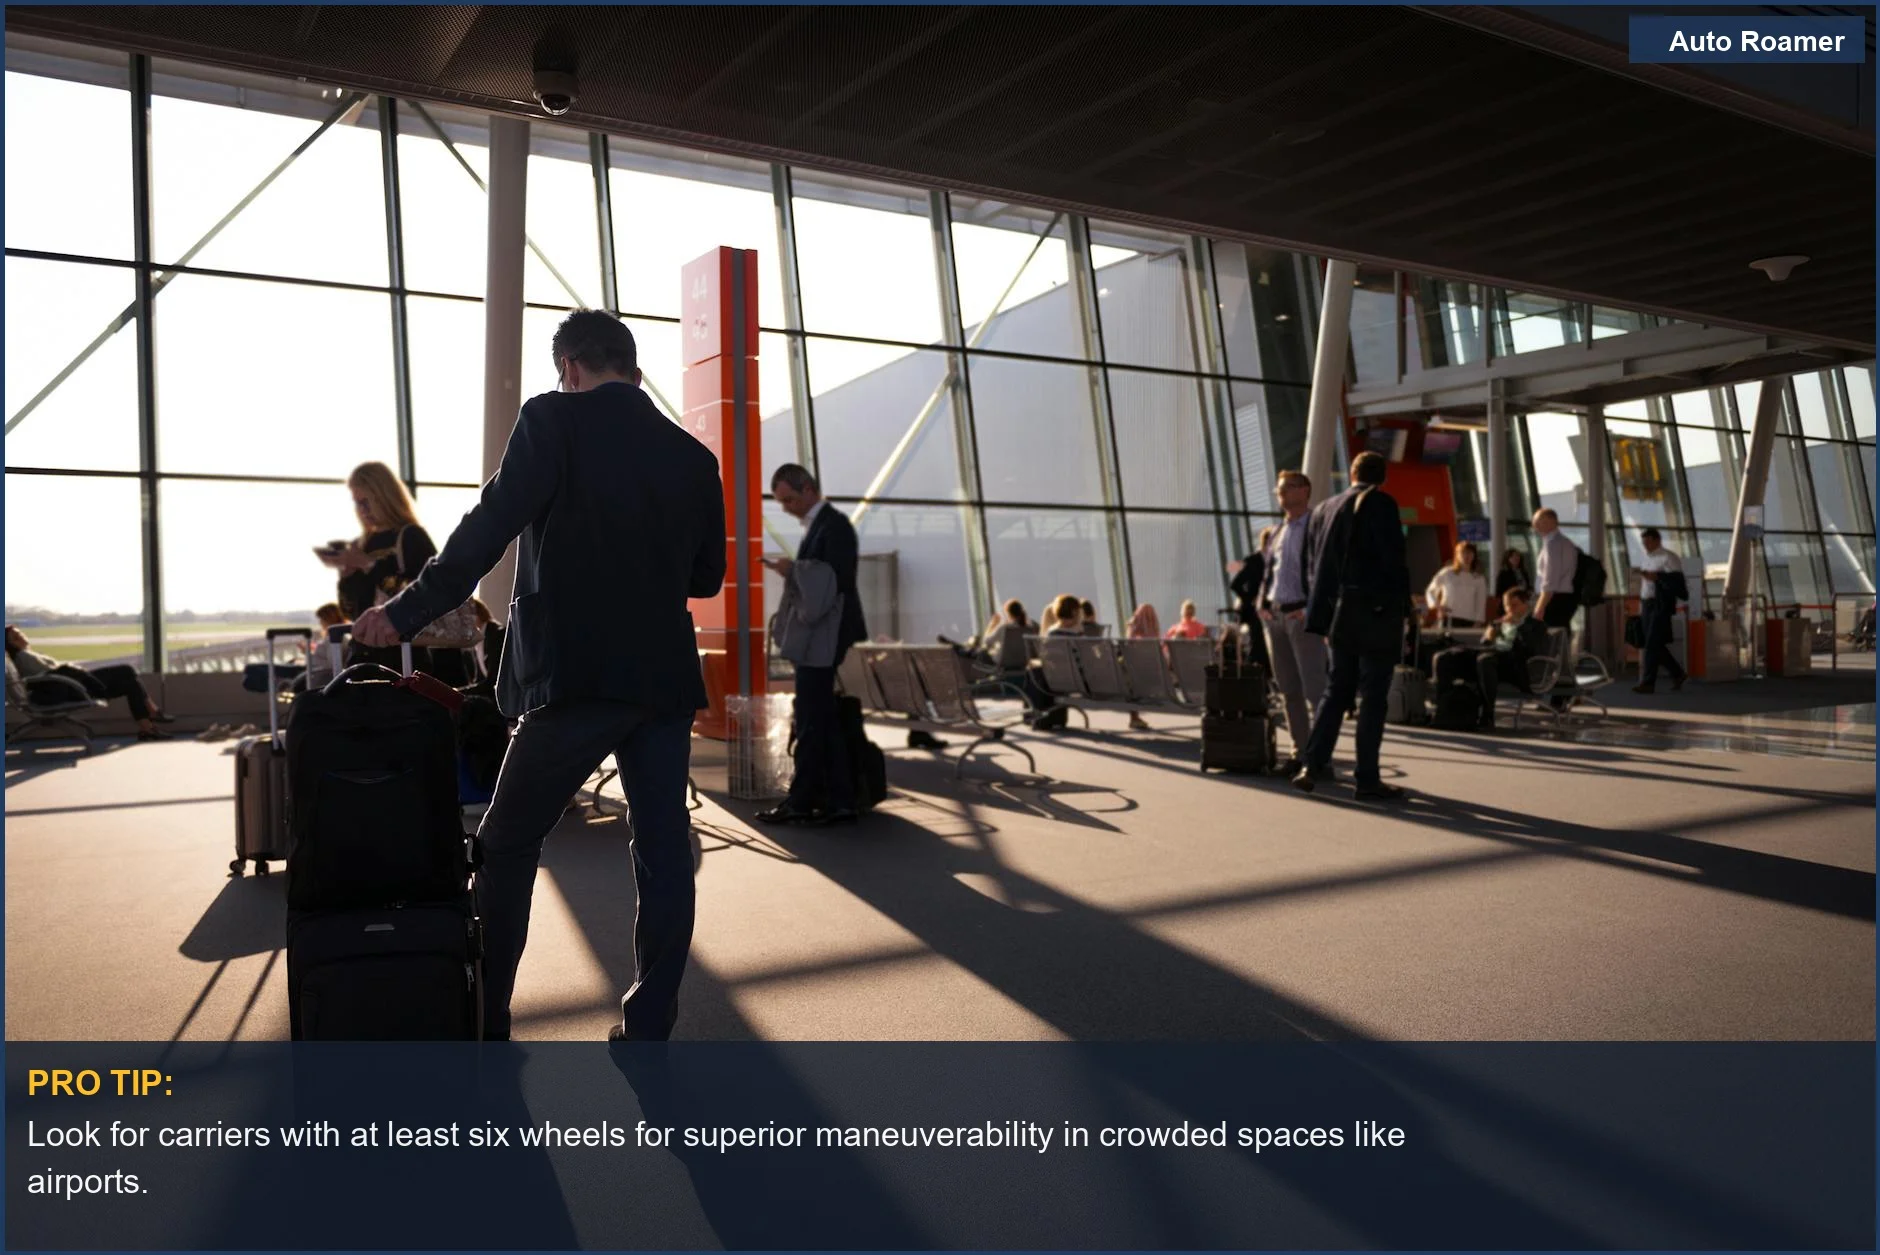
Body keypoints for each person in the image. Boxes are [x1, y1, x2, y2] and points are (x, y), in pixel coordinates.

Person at [351, 309, 726, 1043]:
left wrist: (405, 610)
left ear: (571, 369)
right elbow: (707, 577)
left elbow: (487, 529)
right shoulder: (693, 457)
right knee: (661, 847)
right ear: (635, 370)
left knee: (509, 841)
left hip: (576, 676)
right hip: (664, 679)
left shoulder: (554, 419)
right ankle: (651, 1021)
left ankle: (487, 1014)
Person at [1293, 451, 1411, 803]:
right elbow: (1393, 560)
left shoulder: (1324, 509)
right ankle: (1367, 779)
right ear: (1383, 477)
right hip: (1374, 613)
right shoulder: (1382, 504)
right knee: (1373, 695)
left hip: (1337, 614)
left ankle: (1311, 765)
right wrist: (1403, 609)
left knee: (1337, 689)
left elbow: (1308, 564)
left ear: (1352, 473)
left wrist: (1323, 613)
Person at [756, 465, 868, 827]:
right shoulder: (829, 526)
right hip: (828, 634)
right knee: (821, 718)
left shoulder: (832, 526)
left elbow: (828, 586)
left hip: (825, 636)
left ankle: (804, 800)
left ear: (809, 489)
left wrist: (792, 570)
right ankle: (837, 799)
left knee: (811, 717)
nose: (786, 507)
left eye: (789, 498)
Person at [320, 461, 445, 675]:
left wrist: (368, 565)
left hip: (405, 653)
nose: (363, 510)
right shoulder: (363, 543)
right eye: (358, 503)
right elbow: (352, 611)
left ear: (384, 497)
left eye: (367, 501)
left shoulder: (410, 536)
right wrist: (346, 577)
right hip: (363, 652)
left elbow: (425, 591)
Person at [1258, 470, 1327, 776]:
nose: (1280, 494)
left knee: (1314, 689)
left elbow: (1326, 571)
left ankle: (1320, 757)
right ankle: (1299, 753)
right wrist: (1262, 604)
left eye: (1286, 489)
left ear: (1305, 490)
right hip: (1276, 617)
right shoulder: (1278, 531)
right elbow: (1269, 570)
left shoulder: (1316, 526)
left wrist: (1311, 608)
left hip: (1301, 616)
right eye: (1279, 490)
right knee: (1289, 690)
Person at [5, 626, 176, 741]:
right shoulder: (23, 657)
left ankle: (147, 728)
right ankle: (152, 713)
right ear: (11, 645)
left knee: (130, 683)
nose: (21, 636)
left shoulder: (25, 655)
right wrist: (76, 672)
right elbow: (49, 675)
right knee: (126, 670)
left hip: (72, 684)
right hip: (72, 687)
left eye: (19, 633)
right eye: (15, 637)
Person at [1473, 588, 1550, 729]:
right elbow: (1485, 644)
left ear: (1525, 605)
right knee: (1462, 656)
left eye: (1514, 605)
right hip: (1496, 662)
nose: (1509, 609)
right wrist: (1489, 635)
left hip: (1518, 667)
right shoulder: (1499, 623)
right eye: (1506, 605)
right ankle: (1454, 713)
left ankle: (1487, 715)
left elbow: (1532, 651)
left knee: (1485, 660)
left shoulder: (1535, 625)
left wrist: (1516, 626)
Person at [1632, 528, 1687, 695]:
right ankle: (1678, 673)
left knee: (1651, 644)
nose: (1646, 545)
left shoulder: (1669, 558)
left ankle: (1648, 682)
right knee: (1654, 643)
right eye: (1644, 543)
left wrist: (1658, 578)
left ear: (1657, 540)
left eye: (1648, 542)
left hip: (1660, 604)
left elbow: (1677, 582)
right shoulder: (1646, 558)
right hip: (1647, 603)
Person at [1531, 508, 1580, 631]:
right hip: (1563, 598)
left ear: (1550, 521)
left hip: (1553, 599)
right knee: (1560, 636)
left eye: (1538, 521)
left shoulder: (1553, 544)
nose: (1534, 525)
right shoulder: (1564, 542)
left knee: (1551, 639)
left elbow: (1550, 579)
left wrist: (1540, 607)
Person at [1426, 542, 1490, 629]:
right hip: (1447, 618)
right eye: (1463, 552)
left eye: (1470, 553)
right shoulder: (1447, 573)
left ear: (1474, 556)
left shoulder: (1479, 578)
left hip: (1469, 620)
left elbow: (1481, 602)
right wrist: (1438, 606)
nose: (1466, 556)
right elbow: (1431, 591)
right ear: (1457, 555)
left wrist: (1478, 622)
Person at [1123, 605, 1161, 730]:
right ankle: (1135, 718)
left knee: (1131, 682)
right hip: (1156, 688)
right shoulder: (1154, 649)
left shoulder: (1130, 652)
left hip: (1132, 688)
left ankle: (1134, 717)